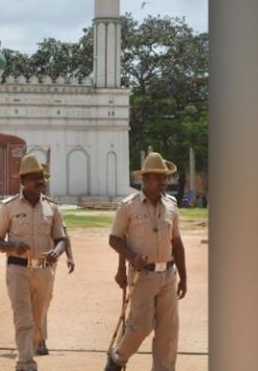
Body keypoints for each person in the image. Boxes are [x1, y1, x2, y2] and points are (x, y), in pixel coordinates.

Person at [104, 152, 188, 371]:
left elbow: (177, 243)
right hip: (143, 276)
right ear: (145, 179)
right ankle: (118, 358)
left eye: (165, 177)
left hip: (168, 276)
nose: (164, 181)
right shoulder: (128, 206)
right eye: (159, 177)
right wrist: (129, 260)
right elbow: (115, 238)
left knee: (167, 331)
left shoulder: (171, 206)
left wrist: (184, 277)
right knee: (140, 326)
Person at [0, 154, 67, 371]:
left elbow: (61, 239)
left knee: (37, 319)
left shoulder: (52, 208)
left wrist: (57, 251)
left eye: (42, 177)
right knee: (23, 317)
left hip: (44, 270)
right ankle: (25, 363)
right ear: (23, 181)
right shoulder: (9, 207)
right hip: (18, 269)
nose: (41, 181)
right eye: (35, 177)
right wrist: (12, 246)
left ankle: (30, 349)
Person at [35, 221, 75, 355]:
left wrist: (70, 257)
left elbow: (64, 236)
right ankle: (39, 339)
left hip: (47, 263)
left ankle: (37, 337)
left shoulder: (51, 209)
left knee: (45, 299)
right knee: (30, 300)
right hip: (25, 263)